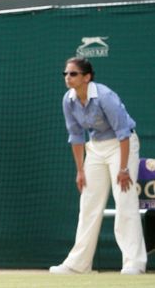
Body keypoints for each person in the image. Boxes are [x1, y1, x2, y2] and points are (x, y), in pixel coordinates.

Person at [49, 57, 147, 275]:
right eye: (65, 74)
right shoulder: (68, 100)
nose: (67, 78)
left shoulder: (105, 96)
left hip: (122, 146)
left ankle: (134, 263)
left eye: (73, 74)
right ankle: (78, 264)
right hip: (95, 148)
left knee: (125, 200)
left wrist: (123, 169)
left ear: (87, 77)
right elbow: (76, 137)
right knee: (88, 203)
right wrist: (80, 171)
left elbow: (123, 133)